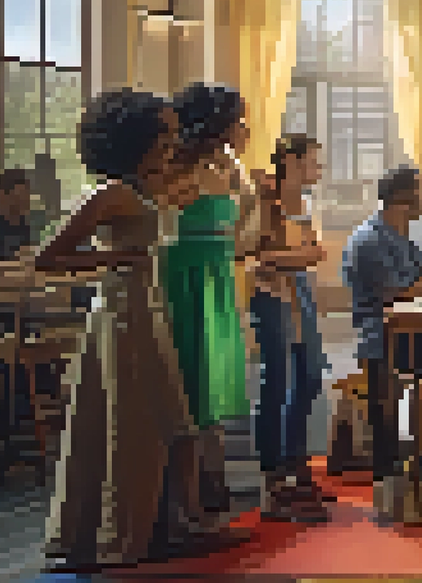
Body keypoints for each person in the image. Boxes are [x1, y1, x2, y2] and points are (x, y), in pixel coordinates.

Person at [40, 89, 238, 568]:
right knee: (137, 426)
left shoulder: (144, 188)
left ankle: (163, 525)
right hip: (125, 316)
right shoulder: (112, 193)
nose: (172, 140)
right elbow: (52, 255)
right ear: (137, 137)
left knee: (170, 422)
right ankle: (127, 537)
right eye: (164, 132)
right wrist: (116, 258)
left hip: (150, 310)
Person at [163, 83, 253, 521]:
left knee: (214, 386)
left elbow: (246, 210)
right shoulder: (176, 167)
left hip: (217, 278)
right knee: (192, 385)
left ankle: (213, 484)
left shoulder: (227, 163)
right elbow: (158, 216)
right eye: (239, 120)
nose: (246, 129)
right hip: (187, 280)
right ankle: (190, 496)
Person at [342, 165, 422, 509]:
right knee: (386, 408)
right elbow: (398, 294)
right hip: (382, 335)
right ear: (404, 198)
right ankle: (387, 477)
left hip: (410, 332)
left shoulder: (402, 236)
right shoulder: (370, 239)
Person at [251, 134, 331, 522]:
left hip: (300, 292)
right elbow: (261, 258)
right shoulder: (267, 200)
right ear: (292, 161)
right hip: (270, 294)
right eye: (313, 161)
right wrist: (302, 256)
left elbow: (316, 251)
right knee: (277, 380)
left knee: (311, 377)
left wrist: (297, 258)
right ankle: (272, 477)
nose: (318, 168)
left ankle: (297, 466)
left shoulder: (306, 203)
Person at [0, 168, 35, 261]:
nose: (26, 205)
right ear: (3, 195)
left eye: (26, 200)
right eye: (18, 200)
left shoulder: (23, 224)